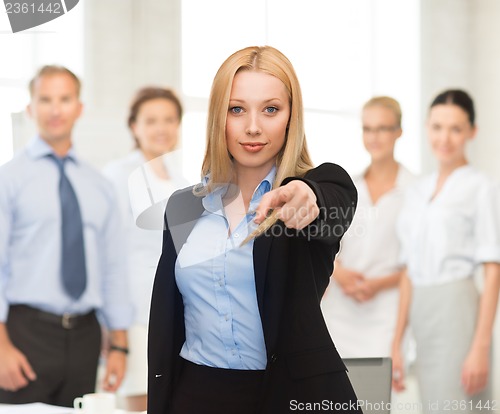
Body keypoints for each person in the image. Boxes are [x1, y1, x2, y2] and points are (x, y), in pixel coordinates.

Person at [147, 45, 361, 414]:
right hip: (194, 394)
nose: (253, 127)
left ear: (291, 116)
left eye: (271, 109)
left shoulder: (311, 192)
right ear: (219, 117)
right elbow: (169, 321)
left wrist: (308, 195)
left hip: (285, 397)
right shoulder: (182, 207)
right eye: (237, 109)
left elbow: (336, 201)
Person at [0, 66, 133, 407]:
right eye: (45, 99)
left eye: (64, 99)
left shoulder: (99, 186)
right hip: (24, 335)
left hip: (86, 338)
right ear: (30, 108)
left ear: (79, 108)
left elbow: (113, 266)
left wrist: (119, 343)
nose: (55, 109)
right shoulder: (9, 180)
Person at [392, 89, 500, 413]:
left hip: (458, 310)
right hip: (422, 313)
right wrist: (397, 341)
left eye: (456, 128)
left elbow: (492, 267)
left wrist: (480, 346)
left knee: (457, 405)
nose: (445, 138)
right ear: (426, 128)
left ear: (472, 132)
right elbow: (408, 271)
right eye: (437, 127)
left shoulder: (480, 187)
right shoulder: (416, 192)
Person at [103, 87, 188, 412]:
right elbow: (108, 252)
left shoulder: (185, 180)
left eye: (169, 119)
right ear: (134, 126)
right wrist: (112, 327)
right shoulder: (117, 175)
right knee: (141, 403)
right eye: (151, 120)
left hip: (178, 311)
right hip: (136, 313)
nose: (161, 128)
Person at [321, 96, 414, 358]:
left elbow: (415, 262)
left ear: (398, 132)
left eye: (383, 128)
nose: (374, 137)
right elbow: (327, 243)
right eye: (368, 128)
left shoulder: (415, 191)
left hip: (386, 313)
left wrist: (379, 284)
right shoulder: (347, 186)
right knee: (333, 395)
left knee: (378, 396)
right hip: (340, 310)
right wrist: (339, 273)